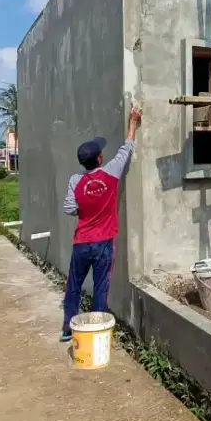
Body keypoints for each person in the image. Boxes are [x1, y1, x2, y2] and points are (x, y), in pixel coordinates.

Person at [61, 106, 142, 342]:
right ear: (99, 158)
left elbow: (68, 208)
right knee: (100, 287)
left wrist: (85, 210)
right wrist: (133, 122)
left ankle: (68, 328)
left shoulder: (75, 180)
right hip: (103, 244)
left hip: (81, 243)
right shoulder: (111, 172)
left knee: (74, 286)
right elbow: (126, 148)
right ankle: (96, 331)